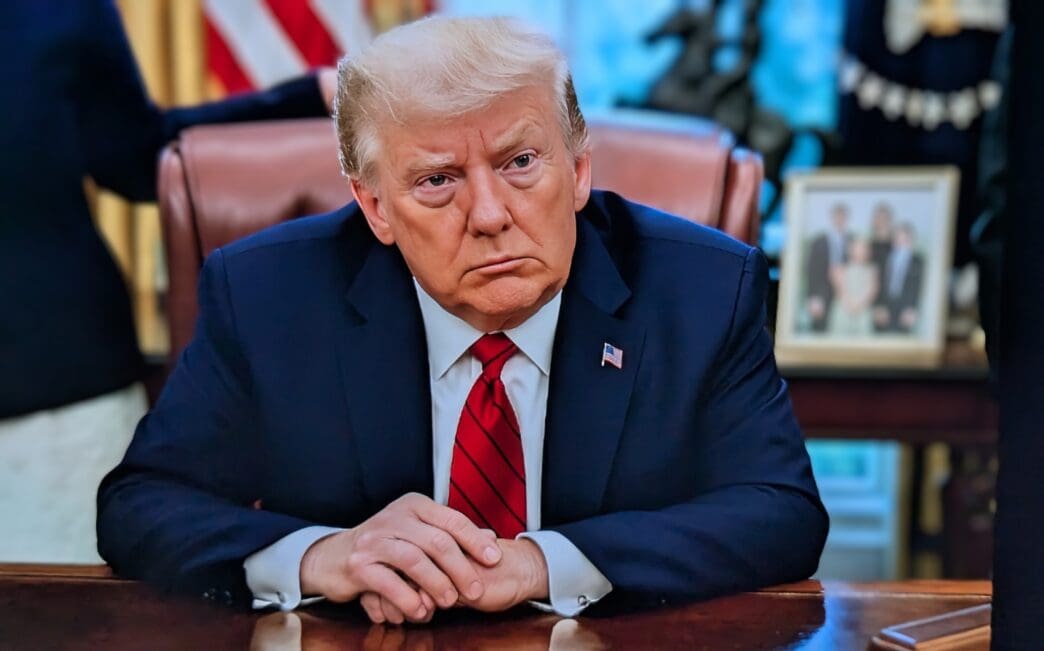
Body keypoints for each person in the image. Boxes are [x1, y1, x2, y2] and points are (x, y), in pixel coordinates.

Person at [97, 16, 827, 622]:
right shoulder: (269, 297)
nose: (488, 215)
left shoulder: (701, 289)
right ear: (376, 207)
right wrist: (323, 554)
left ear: (577, 170)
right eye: (437, 180)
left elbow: (781, 511)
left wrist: (541, 562)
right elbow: (140, 503)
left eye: (520, 162)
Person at [0, 0, 336, 563]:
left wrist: (303, 98)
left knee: (79, 604)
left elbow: (133, 154)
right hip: (53, 382)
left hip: (55, 402)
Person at [805, 203, 851, 332]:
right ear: (832, 217)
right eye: (837, 216)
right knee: (819, 329)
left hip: (845, 294)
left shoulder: (851, 241)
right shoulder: (818, 241)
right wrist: (813, 297)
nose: (840, 219)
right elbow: (811, 271)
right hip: (821, 293)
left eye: (843, 216)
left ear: (846, 219)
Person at [873, 223, 924, 333]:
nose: (900, 243)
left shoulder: (918, 261)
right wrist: (879, 305)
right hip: (884, 307)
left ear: (911, 240)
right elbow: (878, 283)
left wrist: (912, 309)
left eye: (904, 239)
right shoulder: (884, 257)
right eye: (897, 239)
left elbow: (917, 287)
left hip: (905, 310)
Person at [828, 238, 879, 337]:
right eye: (857, 248)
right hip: (844, 308)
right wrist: (849, 303)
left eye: (863, 249)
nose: (860, 251)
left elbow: (873, 290)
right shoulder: (841, 268)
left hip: (863, 311)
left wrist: (859, 304)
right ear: (851, 250)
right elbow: (840, 289)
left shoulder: (872, 270)